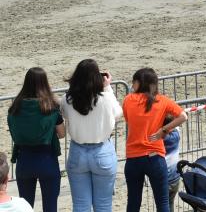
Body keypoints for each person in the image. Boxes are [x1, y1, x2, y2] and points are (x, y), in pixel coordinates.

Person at [60, 59, 122, 212]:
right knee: (103, 205)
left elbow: (65, 114)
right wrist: (107, 88)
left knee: (81, 205)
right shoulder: (105, 98)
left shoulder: (67, 99)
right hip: (102, 150)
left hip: (78, 151)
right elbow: (118, 114)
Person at [122, 68, 188, 212]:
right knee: (162, 202)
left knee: (133, 203)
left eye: (134, 82)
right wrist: (164, 130)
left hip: (134, 158)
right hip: (155, 157)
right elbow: (183, 116)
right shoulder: (162, 100)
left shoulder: (128, 100)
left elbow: (128, 121)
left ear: (139, 83)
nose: (132, 85)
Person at [7, 68, 65, 212]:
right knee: (50, 206)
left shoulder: (15, 108)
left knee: (26, 207)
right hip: (47, 159)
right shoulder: (51, 107)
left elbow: (14, 133)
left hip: (24, 160)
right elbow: (62, 133)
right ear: (45, 83)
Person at [162, 116, 180, 212]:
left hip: (165, 179)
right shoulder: (177, 135)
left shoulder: (161, 139)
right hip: (176, 178)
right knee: (170, 202)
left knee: (163, 205)